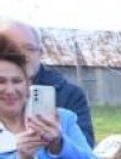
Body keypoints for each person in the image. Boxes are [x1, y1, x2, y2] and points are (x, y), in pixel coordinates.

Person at [0, 19, 94, 147]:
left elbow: (86, 147)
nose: (22, 55)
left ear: (41, 52)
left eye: (29, 48)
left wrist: (58, 143)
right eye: (11, 49)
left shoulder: (68, 95)